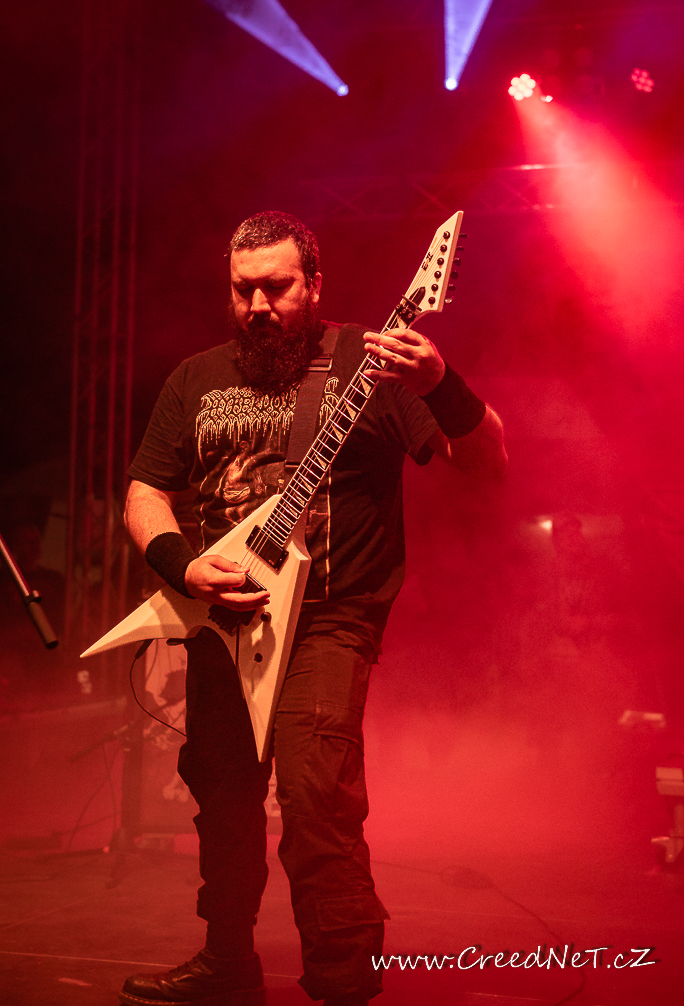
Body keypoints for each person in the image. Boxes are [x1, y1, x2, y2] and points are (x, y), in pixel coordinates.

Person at [119, 211, 507, 1006]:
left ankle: (342, 981)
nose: (258, 305)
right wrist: (181, 564)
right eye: (243, 290)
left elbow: (488, 463)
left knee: (313, 794)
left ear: (316, 284)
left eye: (277, 287)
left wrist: (441, 384)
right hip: (226, 620)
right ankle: (227, 962)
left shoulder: (374, 363)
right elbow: (145, 491)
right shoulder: (195, 379)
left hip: (332, 617)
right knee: (223, 801)